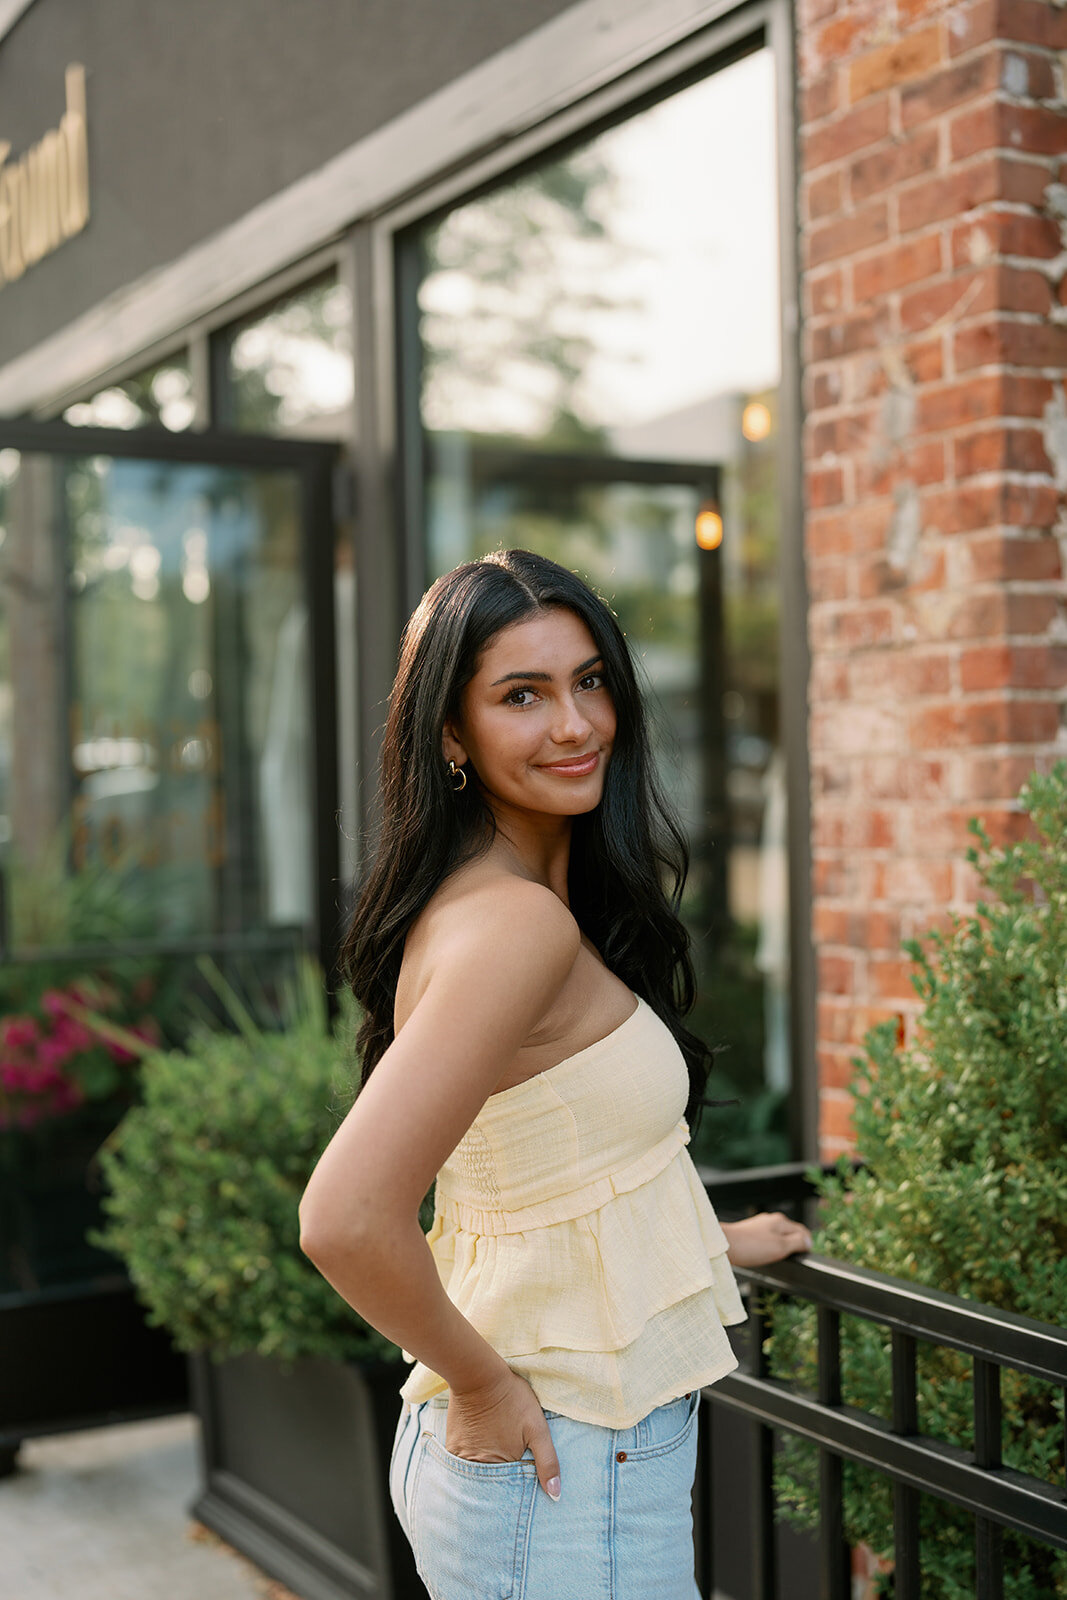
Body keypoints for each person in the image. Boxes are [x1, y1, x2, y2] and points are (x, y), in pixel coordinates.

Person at [299, 549, 812, 1600]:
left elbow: (531, 1176)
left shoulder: (500, 900)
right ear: (451, 732)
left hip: (548, 1466)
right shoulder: (514, 927)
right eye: (520, 695)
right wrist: (484, 1386)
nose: (573, 725)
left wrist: (705, 1237)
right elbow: (345, 1216)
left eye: (588, 681)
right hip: (561, 1464)